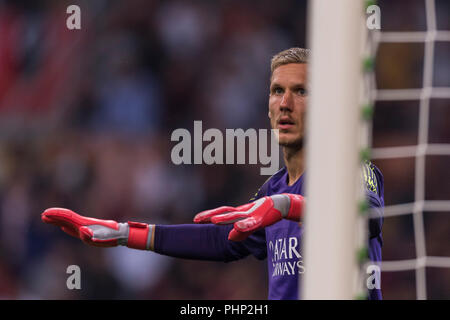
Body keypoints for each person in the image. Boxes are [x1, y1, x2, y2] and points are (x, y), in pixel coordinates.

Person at [41, 47, 384, 300]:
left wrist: (286, 206)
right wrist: (121, 233)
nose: (285, 103)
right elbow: (221, 241)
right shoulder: (273, 188)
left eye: (301, 91)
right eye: (278, 91)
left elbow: (366, 213)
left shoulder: (353, 167)